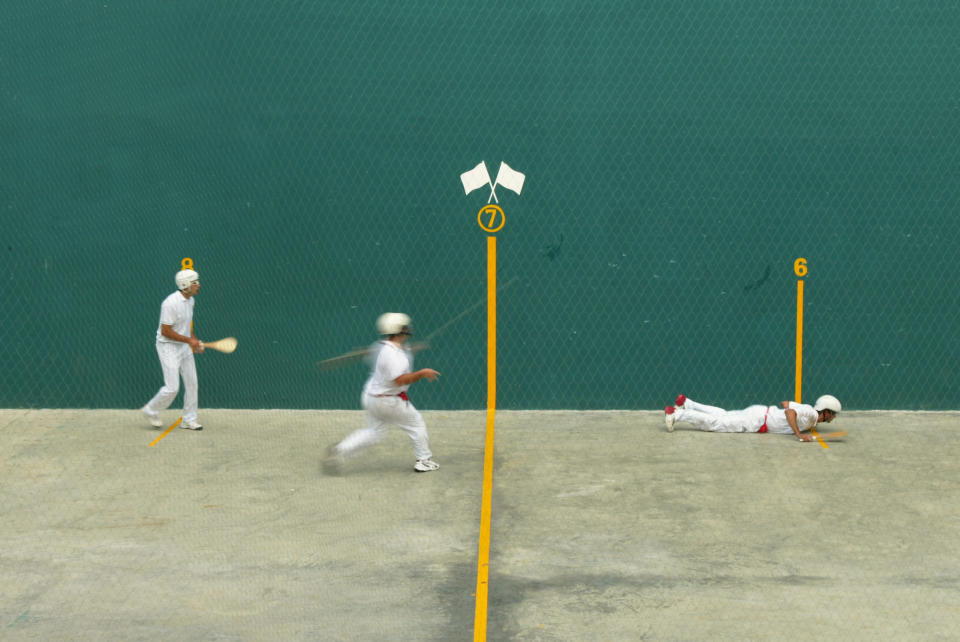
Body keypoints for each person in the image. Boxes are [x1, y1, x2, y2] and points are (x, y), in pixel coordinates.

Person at [324, 313, 441, 473]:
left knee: (374, 432)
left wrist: (411, 350)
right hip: (389, 401)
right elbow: (400, 379)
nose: (408, 329)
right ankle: (423, 461)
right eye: (405, 327)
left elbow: (390, 357)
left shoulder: (380, 346)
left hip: (371, 397)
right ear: (400, 330)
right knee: (416, 424)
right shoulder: (394, 355)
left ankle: (339, 450)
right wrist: (422, 373)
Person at [141, 269, 205, 430]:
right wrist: (188, 340)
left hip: (183, 346)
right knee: (172, 388)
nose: (199, 285)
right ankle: (150, 409)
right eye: (195, 282)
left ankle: (189, 419)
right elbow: (166, 331)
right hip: (167, 347)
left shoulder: (190, 301)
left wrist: (193, 341)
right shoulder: (170, 303)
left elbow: (186, 326)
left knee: (192, 383)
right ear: (185, 285)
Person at [664, 393, 841, 442]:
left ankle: (687, 403)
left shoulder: (812, 419)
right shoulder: (810, 412)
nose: (833, 418)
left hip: (759, 414)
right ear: (825, 411)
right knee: (717, 424)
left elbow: (788, 406)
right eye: (833, 414)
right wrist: (799, 435)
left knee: (723, 415)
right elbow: (788, 409)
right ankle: (677, 414)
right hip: (756, 421)